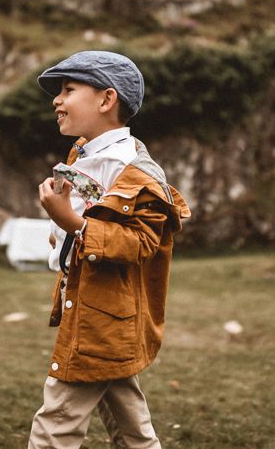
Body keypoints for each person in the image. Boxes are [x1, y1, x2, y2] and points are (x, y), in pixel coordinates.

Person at [27, 50, 191, 449]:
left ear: (106, 100)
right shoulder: (84, 155)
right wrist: (61, 225)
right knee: (132, 430)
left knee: (55, 427)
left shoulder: (137, 172)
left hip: (99, 320)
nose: (56, 99)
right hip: (95, 311)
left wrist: (73, 223)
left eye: (68, 89)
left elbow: (139, 244)